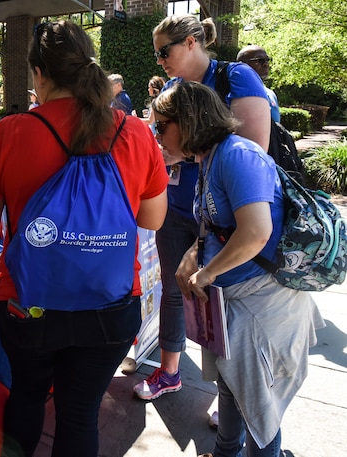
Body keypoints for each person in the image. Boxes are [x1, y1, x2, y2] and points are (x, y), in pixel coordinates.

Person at [0, 20, 168, 457]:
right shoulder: (134, 132)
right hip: (111, 306)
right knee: (79, 414)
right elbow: (152, 219)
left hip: (27, 301)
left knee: (26, 395)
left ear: (39, 74)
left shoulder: (9, 132)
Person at [152, 81, 324, 457]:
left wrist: (207, 271)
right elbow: (220, 225)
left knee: (259, 411)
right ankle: (227, 451)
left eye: (162, 125)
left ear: (189, 121)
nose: (157, 135)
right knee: (233, 391)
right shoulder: (210, 156)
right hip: (236, 303)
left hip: (262, 304)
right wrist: (194, 255)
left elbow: (256, 233)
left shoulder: (237, 155)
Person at [134, 14, 271, 402]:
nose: (160, 60)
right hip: (180, 207)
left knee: (221, 295)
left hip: (227, 218)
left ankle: (231, 397)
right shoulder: (174, 88)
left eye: (165, 51)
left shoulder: (235, 76)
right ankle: (170, 372)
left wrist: (183, 154)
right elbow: (158, 147)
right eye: (156, 53)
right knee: (175, 290)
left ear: (192, 42)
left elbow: (252, 151)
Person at [237, 45, 281, 123]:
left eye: (267, 60)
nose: (266, 64)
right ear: (242, 64)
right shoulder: (236, 93)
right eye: (259, 60)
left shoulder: (270, 93)